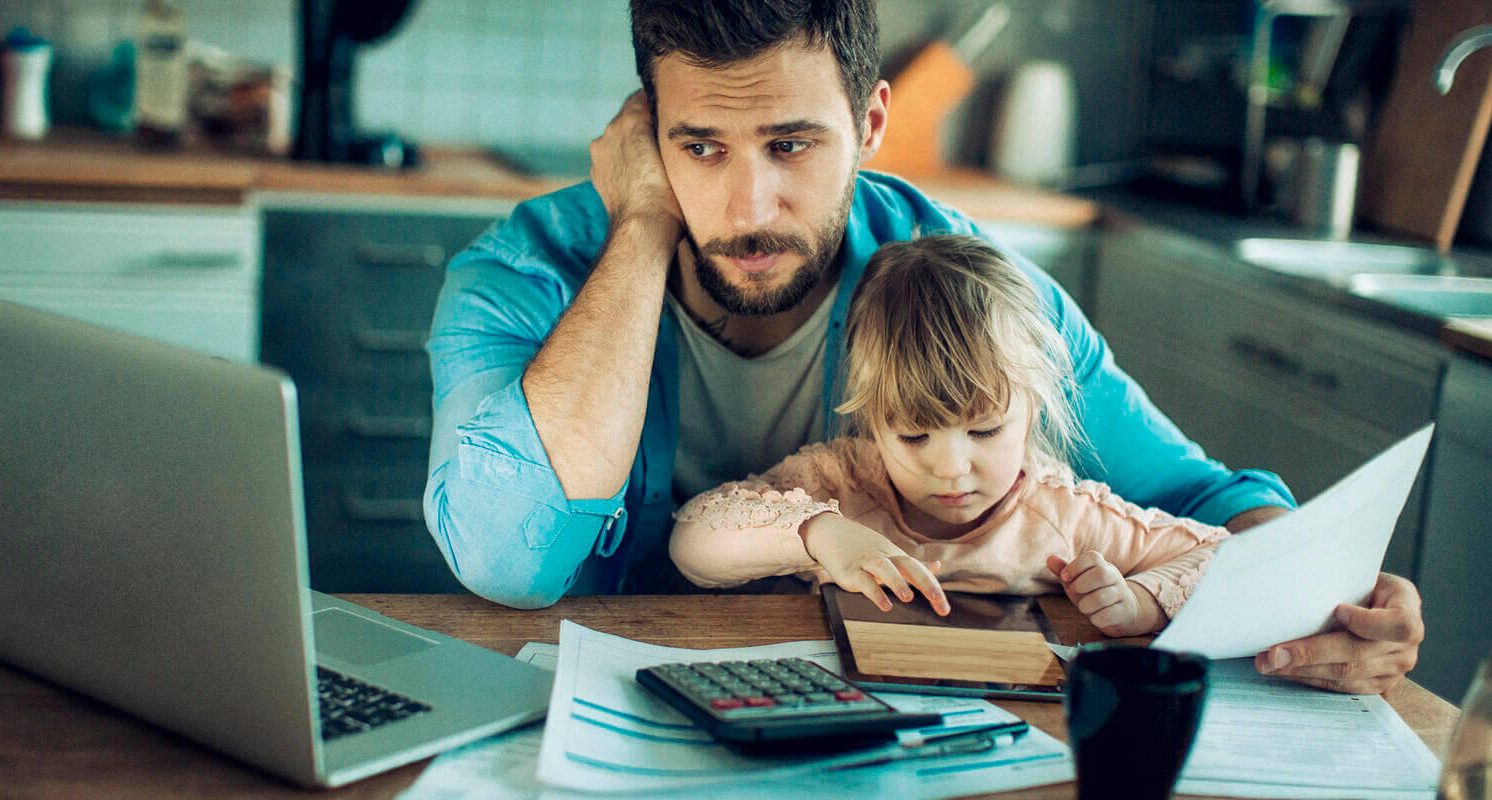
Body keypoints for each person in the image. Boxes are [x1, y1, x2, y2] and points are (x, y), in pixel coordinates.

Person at [424, 0, 1423, 693]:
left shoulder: (952, 280)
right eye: (700, 146)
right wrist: (640, 224)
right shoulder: (526, 271)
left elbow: (1198, 496)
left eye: (790, 144)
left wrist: (1316, 595)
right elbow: (508, 558)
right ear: (646, 132)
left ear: (867, 124)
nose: (747, 207)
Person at [669, 235, 1229, 638]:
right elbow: (691, 544)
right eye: (914, 437)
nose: (952, 468)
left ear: (1032, 409)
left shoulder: (1064, 515)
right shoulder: (840, 482)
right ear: (872, 418)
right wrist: (818, 534)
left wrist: (1140, 603)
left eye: (984, 430)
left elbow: (1223, 556)